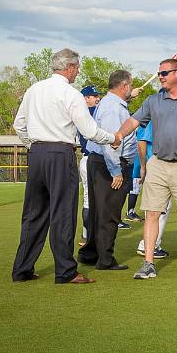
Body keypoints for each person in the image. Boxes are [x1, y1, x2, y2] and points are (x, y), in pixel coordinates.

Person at [12, 48, 120, 285]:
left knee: (33, 214)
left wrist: (33, 145)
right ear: (69, 67)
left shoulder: (34, 89)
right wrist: (112, 138)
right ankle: (66, 271)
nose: (78, 71)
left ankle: (22, 269)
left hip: (37, 154)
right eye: (77, 67)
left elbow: (19, 125)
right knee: (63, 214)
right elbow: (89, 131)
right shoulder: (70, 94)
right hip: (60, 154)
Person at [114, 58, 177, 279]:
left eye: (164, 73)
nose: (160, 76)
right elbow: (133, 121)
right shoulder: (154, 100)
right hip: (158, 164)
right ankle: (148, 264)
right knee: (151, 213)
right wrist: (118, 135)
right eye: (159, 73)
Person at [78, 70, 137, 271]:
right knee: (109, 213)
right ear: (124, 86)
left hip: (99, 162)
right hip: (109, 163)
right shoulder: (114, 108)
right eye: (129, 85)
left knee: (97, 210)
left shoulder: (108, 102)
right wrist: (116, 172)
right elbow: (111, 142)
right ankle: (105, 259)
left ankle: (90, 252)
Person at [131, 121, 171, 259]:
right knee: (157, 210)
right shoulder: (155, 118)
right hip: (156, 167)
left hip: (159, 167)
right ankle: (148, 245)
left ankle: (153, 244)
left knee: (160, 209)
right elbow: (141, 142)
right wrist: (143, 166)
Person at [78, 85, 101, 246]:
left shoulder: (82, 112)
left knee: (91, 199)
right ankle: (88, 235)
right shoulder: (88, 112)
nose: (97, 98)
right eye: (94, 96)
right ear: (86, 99)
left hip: (90, 159)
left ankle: (87, 234)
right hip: (91, 159)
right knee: (91, 199)